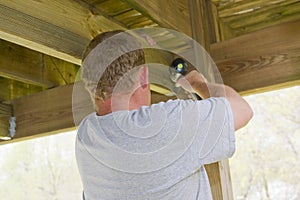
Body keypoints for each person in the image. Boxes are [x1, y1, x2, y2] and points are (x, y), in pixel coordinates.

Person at [75, 30, 253, 200]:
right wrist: (196, 83)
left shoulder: (86, 137)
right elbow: (242, 110)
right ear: (144, 76)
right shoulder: (169, 122)